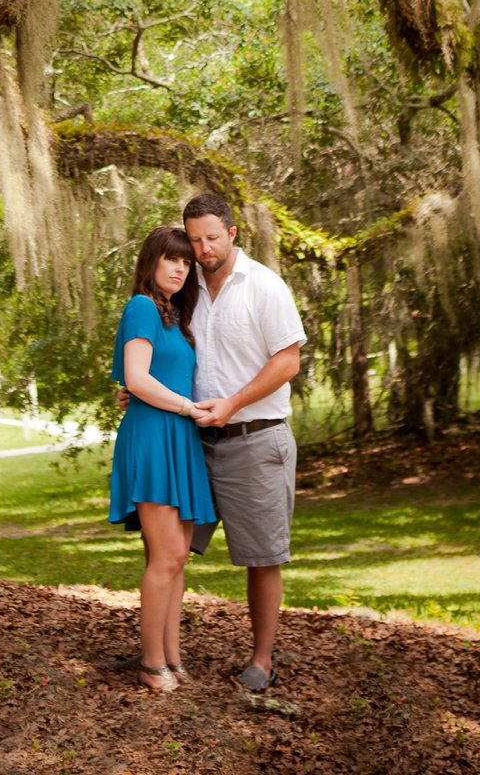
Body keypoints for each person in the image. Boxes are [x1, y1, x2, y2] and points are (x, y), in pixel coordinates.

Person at [183, 191, 306, 694]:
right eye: (194, 240)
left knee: (261, 556)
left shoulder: (264, 286)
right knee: (169, 547)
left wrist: (232, 404)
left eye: (212, 237)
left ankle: (261, 660)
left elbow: (287, 361)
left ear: (232, 233)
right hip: (191, 439)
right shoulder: (184, 284)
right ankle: (161, 652)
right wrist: (139, 384)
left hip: (255, 440)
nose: (203, 249)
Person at [108, 224, 217, 693]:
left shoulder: (175, 315)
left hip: (180, 438)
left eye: (185, 261)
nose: (179, 267)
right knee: (167, 554)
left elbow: (152, 377)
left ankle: (172, 656)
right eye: (171, 258)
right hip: (155, 438)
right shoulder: (141, 307)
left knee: (177, 559)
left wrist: (178, 406)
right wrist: (186, 407)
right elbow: (136, 377)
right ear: (151, 262)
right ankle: (151, 663)